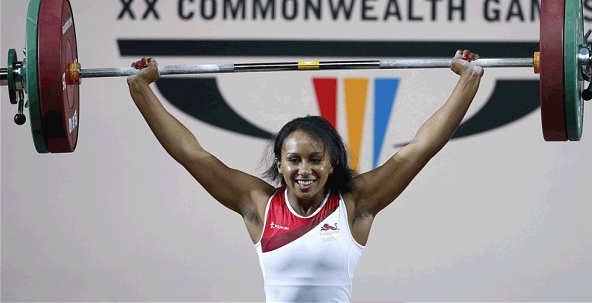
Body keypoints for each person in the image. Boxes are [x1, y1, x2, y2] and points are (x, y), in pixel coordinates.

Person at [127, 50, 484, 302]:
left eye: (315, 159)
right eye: (294, 160)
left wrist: (468, 82)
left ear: (331, 164)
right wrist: (141, 90)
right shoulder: (259, 205)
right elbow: (192, 155)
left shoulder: (354, 204)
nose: (304, 170)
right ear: (280, 165)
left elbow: (419, 148)